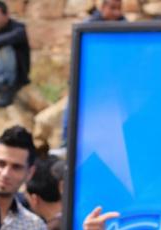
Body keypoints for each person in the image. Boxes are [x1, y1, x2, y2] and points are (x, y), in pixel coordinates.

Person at [55, 0, 126, 155]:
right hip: (87, 76)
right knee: (74, 108)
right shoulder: (88, 27)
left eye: (119, 8)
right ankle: (66, 143)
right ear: (103, 7)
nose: (116, 13)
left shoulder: (125, 28)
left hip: (111, 80)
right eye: (113, 8)